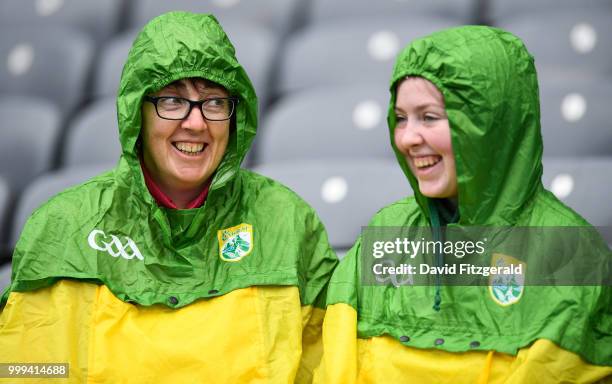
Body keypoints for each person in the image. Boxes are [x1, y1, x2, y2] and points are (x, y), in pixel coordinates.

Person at [0, 12, 337, 383]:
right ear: (136, 112)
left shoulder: (285, 223)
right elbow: (27, 370)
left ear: (234, 115)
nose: (195, 122)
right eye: (173, 100)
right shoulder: (63, 227)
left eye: (213, 102)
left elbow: (330, 367)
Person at [316, 26, 611, 383]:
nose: (408, 138)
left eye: (429, 116)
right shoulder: (384, 235)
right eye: (400, 118)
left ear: (489, 123)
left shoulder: (569, 253)